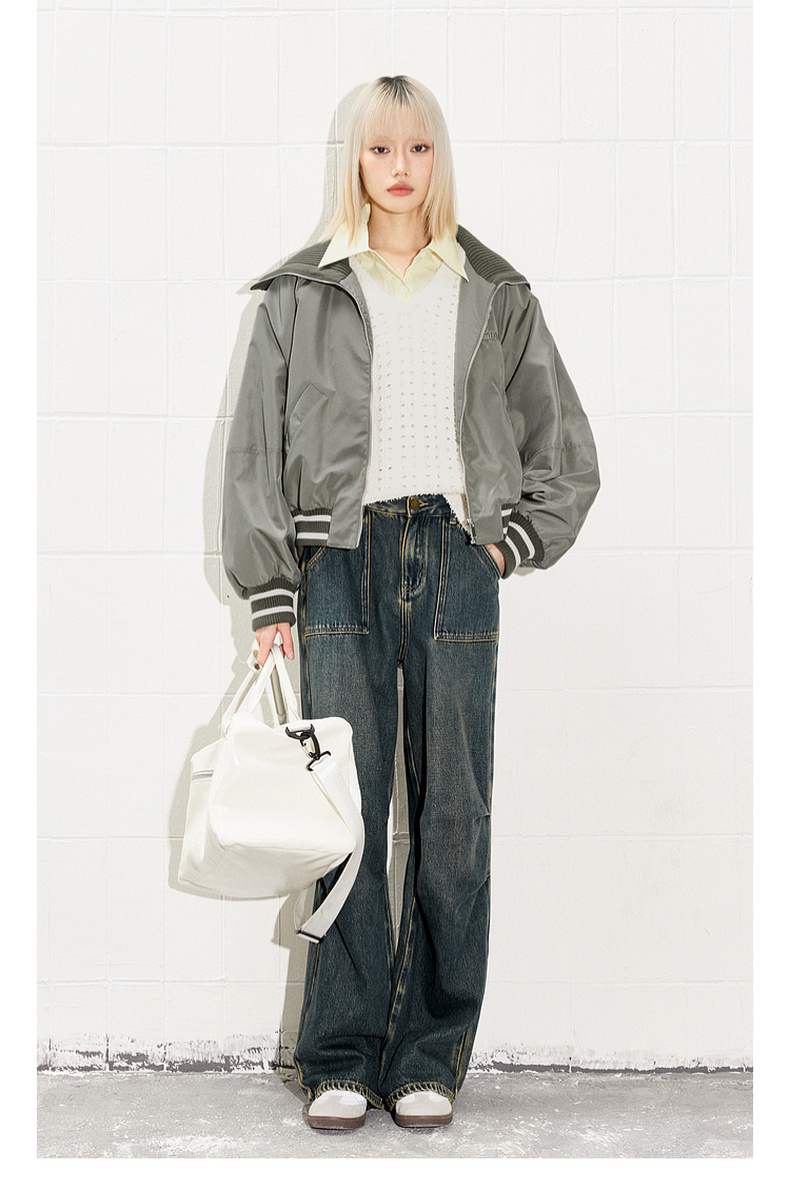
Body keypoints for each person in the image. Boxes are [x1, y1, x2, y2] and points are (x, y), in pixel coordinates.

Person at [221, 75, 599, 1131]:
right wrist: (271, 593)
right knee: (344, 811)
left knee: (453, 813)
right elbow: (255, 452)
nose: (400, 168)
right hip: (337, 560)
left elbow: (564, 449)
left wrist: (509, 542)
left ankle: (429, 1051)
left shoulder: (494, 290)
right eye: (381, 148)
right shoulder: (303, 294)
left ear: (439, 159)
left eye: (419, 148)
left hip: (457, 555)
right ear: (354, 160)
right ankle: (340, 1056)